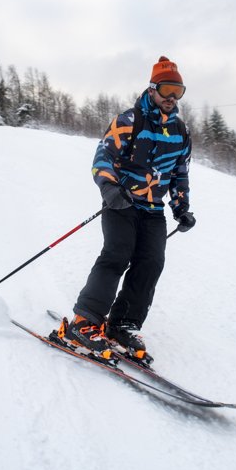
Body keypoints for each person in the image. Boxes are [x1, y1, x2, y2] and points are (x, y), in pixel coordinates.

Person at [59, 56, 196, 362]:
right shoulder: (129, 120)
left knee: (151, 262)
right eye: (166, 89)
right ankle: (84, 323)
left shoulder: (181, 131)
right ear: (152, 89)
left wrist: (181, 207)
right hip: (121, 202)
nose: (172, 97)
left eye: (178, 91)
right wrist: (110, 188)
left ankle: (122, 324)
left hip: (152, 210)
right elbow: (103, 158)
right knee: (117, 254)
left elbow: (179, 173)